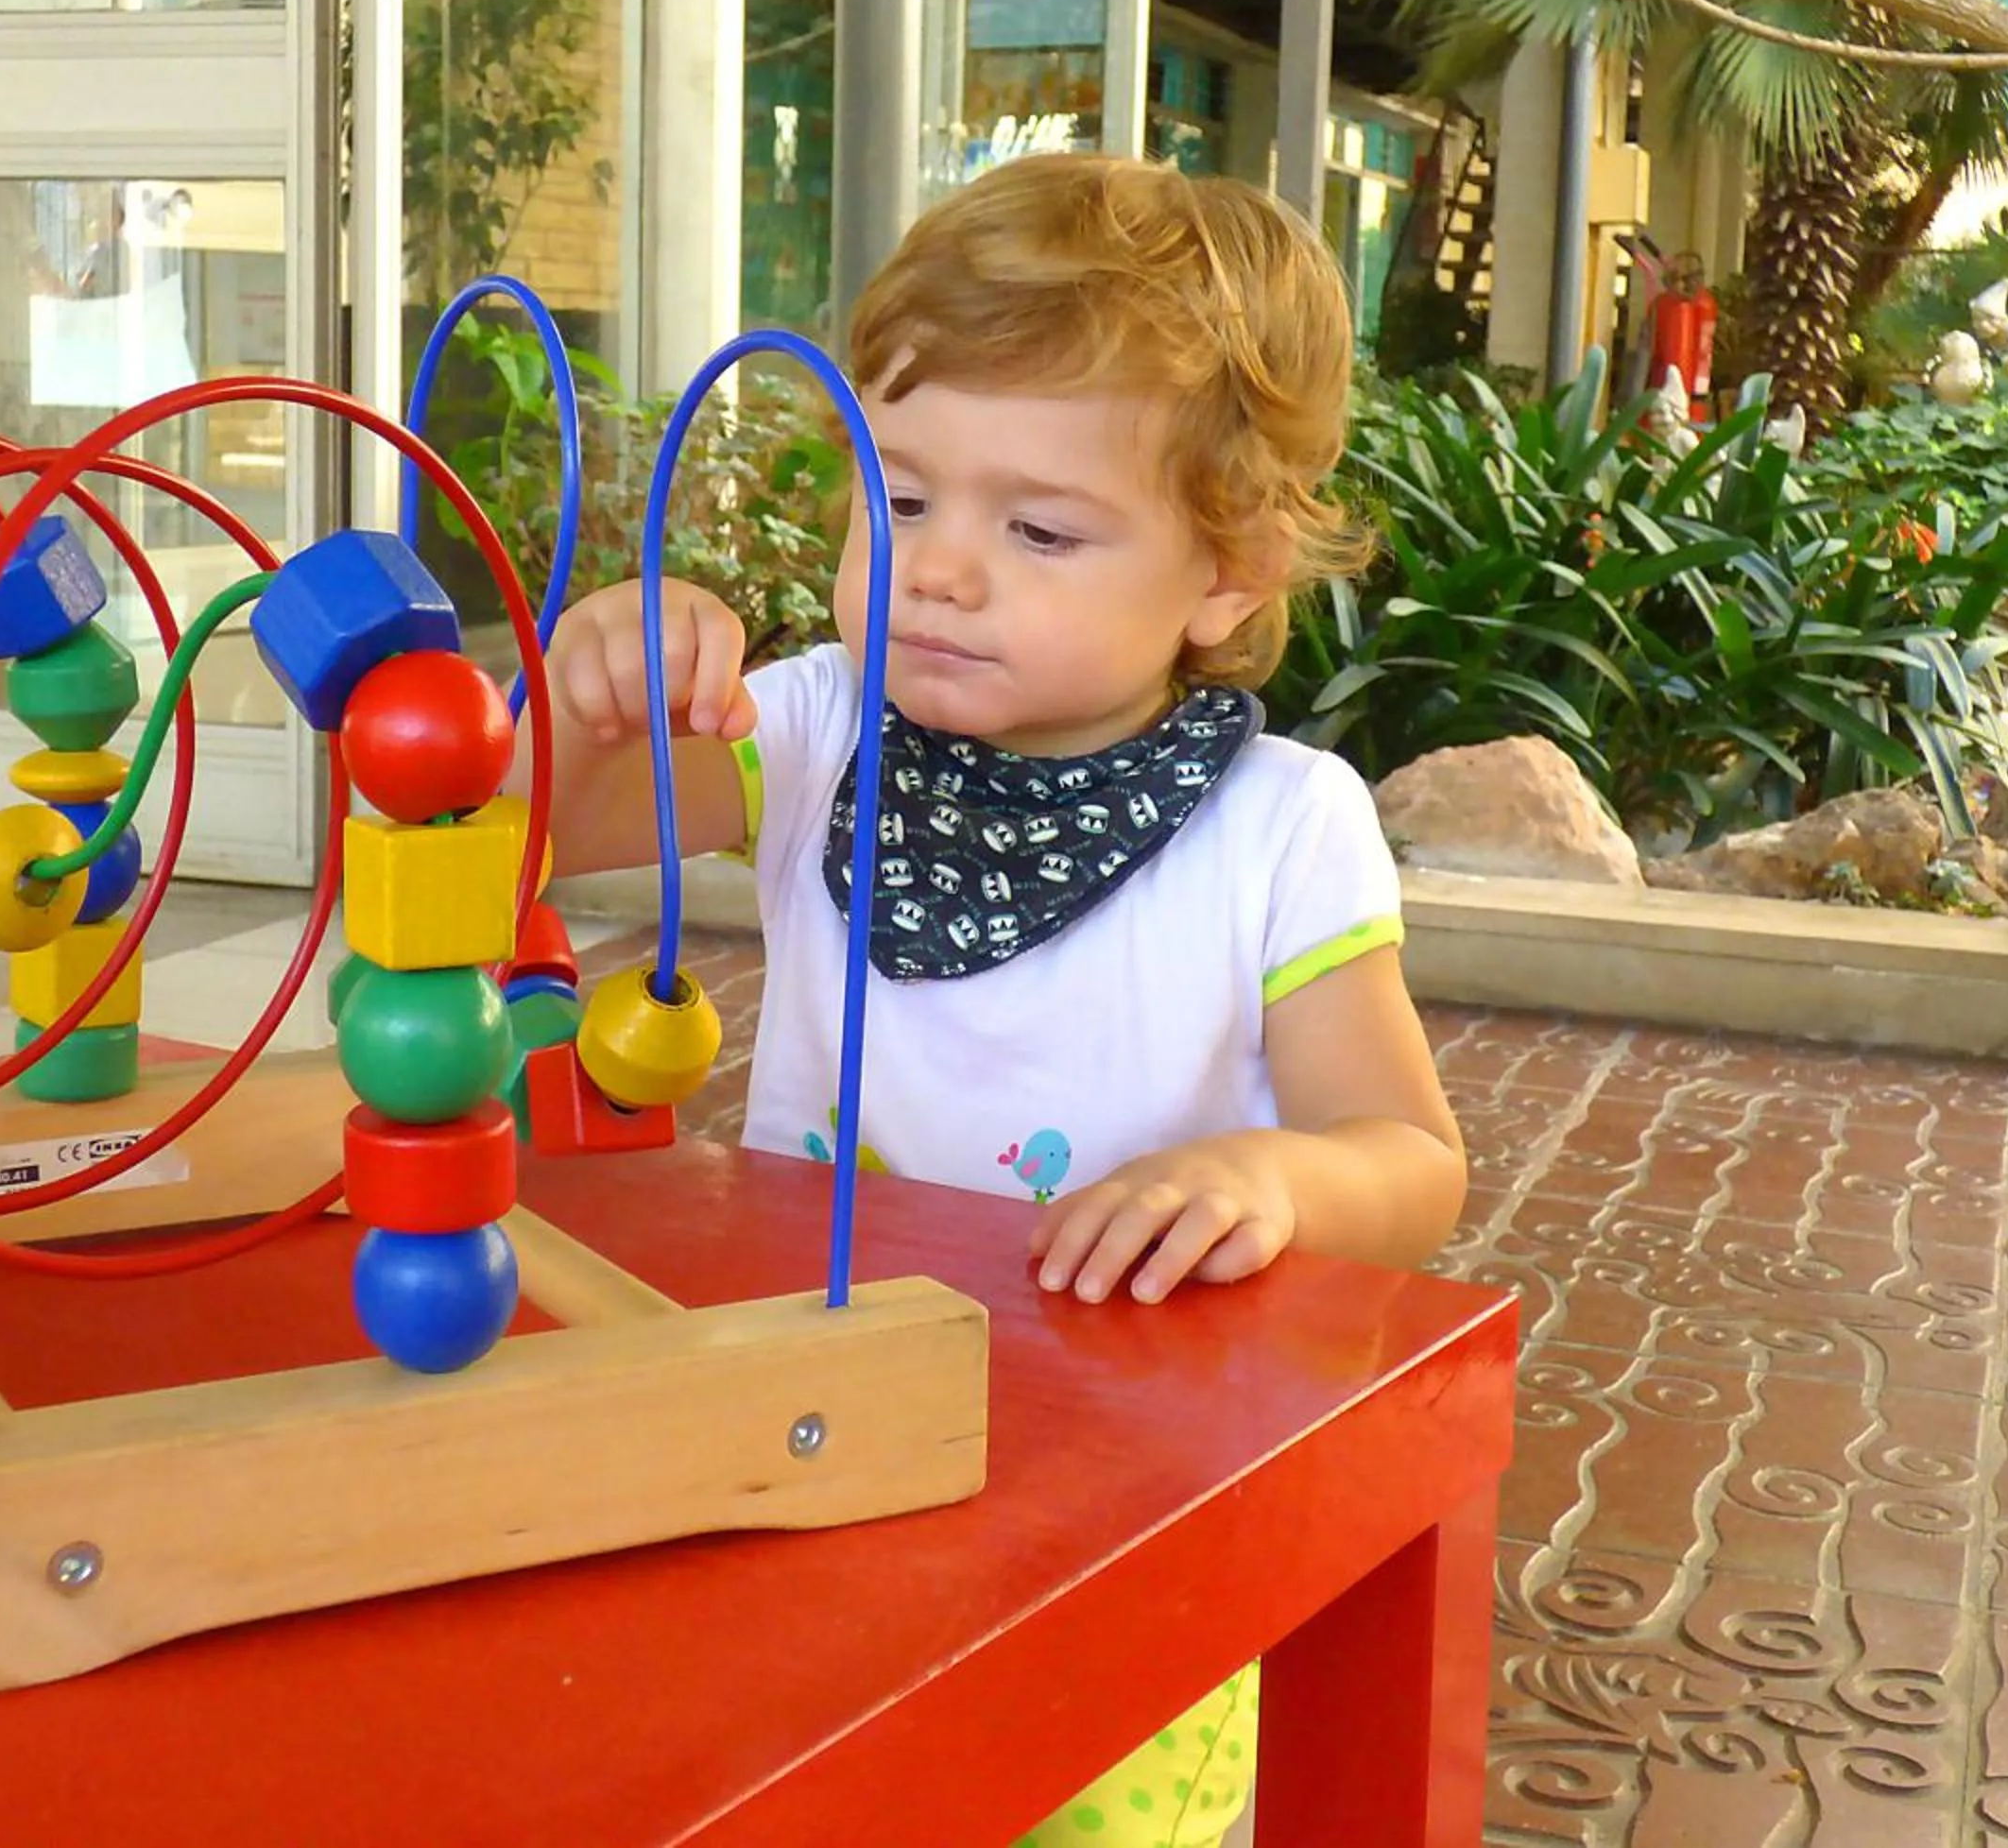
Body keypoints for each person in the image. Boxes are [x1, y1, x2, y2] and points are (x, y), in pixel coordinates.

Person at [518, 152, 1467, 1845]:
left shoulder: (1280, 827)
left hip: (1116, 1503)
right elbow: (539, 824)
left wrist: (1269, 1177)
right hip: (802, 1438)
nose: (939, 569)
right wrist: (595, 687)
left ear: (1231, 570)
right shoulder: (814, 727)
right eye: (898, 499)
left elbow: (1408, 1158)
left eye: (1037, 528)